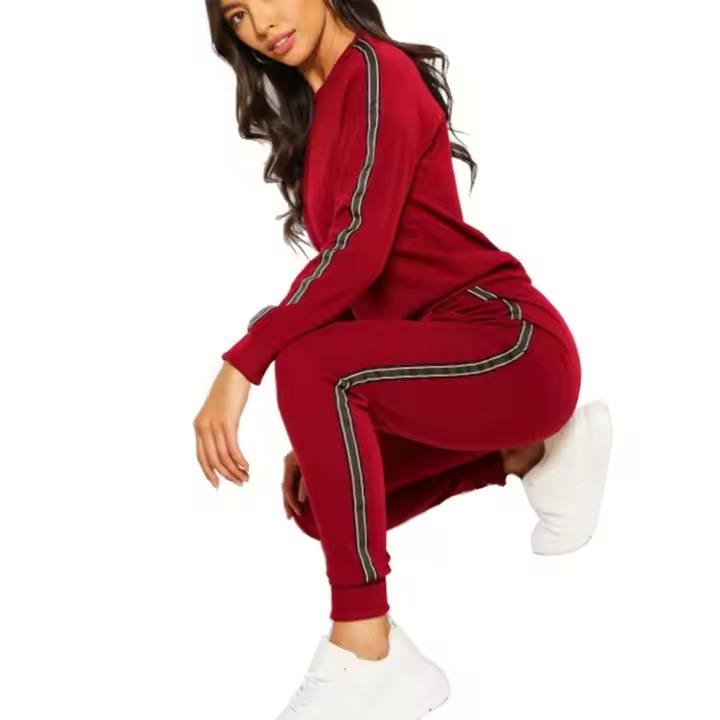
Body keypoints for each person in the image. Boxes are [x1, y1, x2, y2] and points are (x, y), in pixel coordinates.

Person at [194, 2, 614, 717]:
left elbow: (359, 252)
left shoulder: (378, 73)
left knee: (311, 365)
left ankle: (365, 645)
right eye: (236, 14)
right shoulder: (325, 111)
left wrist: (243, 365)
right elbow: (350, 272)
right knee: (321, 504)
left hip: (509, 344)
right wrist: (322, 425)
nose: (260, 22)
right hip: (451, 368)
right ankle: (531, 451)